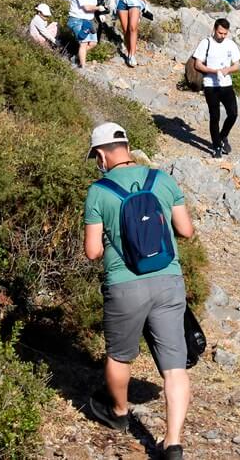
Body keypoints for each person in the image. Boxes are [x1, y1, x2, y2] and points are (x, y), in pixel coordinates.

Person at [83, 122, 194, 460]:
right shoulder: (161, 179)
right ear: (127, 147)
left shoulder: (99, 192)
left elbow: (92, 252)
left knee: (119, 355)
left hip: (124, 285)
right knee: (175, 366)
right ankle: (172, 442)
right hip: (168, 280)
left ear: (101, 154)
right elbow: (186, 230)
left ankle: (118, 412)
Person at [191, 19, 240, 158]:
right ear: (214, 29)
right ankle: (217, 146)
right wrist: (213, 71)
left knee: (233, 114)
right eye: (220, 33)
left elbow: (237, 65)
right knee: (215, 117)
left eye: (225, 33)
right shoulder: (205, 43)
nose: (222, 36)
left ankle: (223, 136)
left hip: (226, 84)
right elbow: (197, 64)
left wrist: (227, 70)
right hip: (210, 84)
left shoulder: (230, 44)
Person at [68, 0, 104, 68]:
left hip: (89, 20)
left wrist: (100, 12)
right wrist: (98, 8)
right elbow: (86, 7)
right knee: (83, 43)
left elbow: (93, 5)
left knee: (93, 43)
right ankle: (83, 67)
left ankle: (77, 56)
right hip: (78, 19)